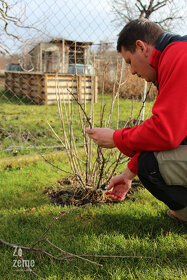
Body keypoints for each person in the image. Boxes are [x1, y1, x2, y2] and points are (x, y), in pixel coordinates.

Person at [86, 18, 187, 223]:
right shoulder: (177, 53)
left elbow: (165, 132)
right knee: (147, 160)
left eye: (129, 61)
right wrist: (128, 173)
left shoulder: (178, 57)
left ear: (141, 47)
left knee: (150, 165)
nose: (131, 71)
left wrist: (116, 138)